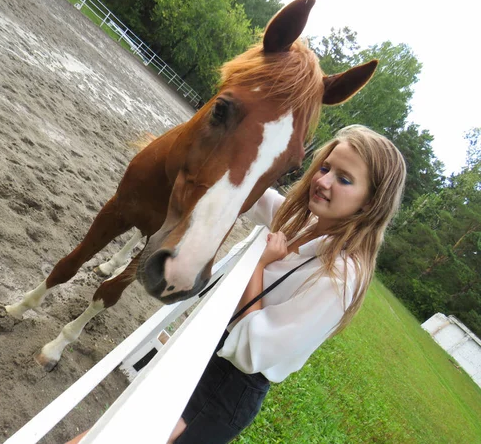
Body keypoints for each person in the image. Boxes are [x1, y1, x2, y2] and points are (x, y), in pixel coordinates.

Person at [166, 125, 407, 444]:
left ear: (370, 203)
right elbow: (254, 197)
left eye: (344, 179)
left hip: (222, 390)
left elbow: (253, 351)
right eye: (325, 167)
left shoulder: (340, 276)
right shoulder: (306, 224)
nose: (322, 181)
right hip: (208, 351)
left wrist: (260, 263)